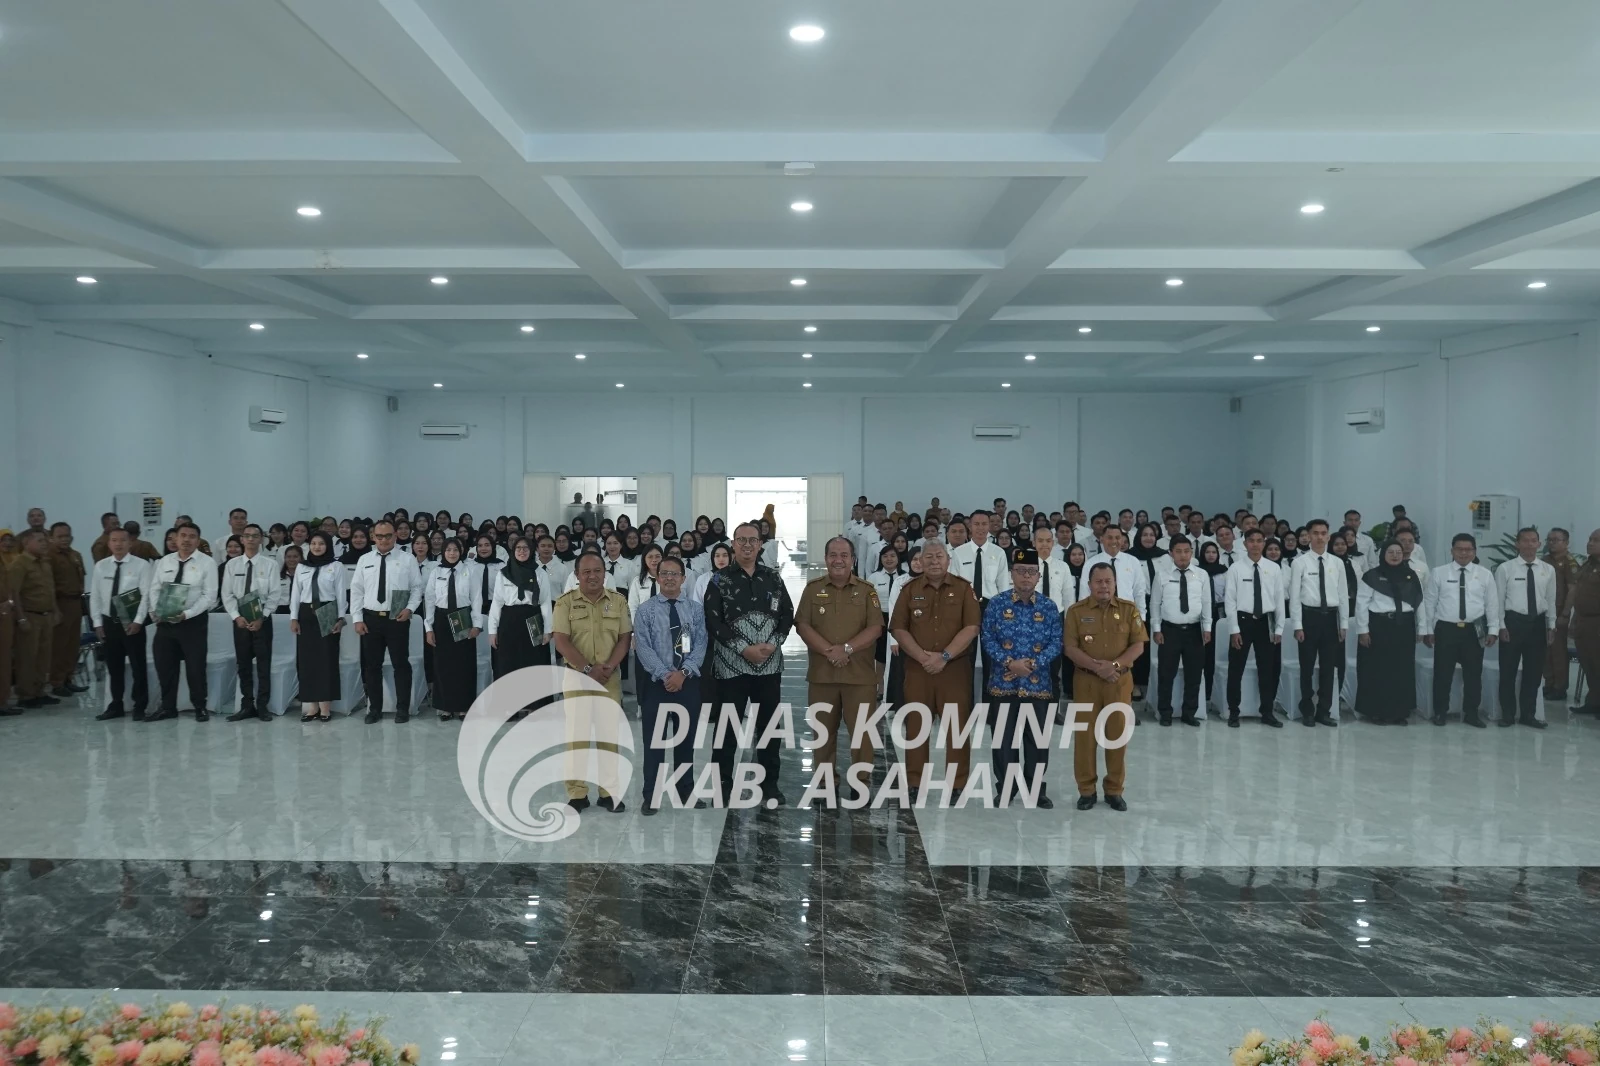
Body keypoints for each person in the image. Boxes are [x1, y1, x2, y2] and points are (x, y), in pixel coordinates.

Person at [703, 521, 794, 806]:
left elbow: (788, 613)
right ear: (733, 544)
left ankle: (770, 785)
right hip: (731, 668)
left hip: (769, 667)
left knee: (769, 728)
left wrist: (774, 643)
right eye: (741, 540)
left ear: (760, 545)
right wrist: (743, 649)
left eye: (752, 540)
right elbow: (713, 621)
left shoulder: (773, 578)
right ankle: (722, 785)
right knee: (727, 729)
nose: (746, 545)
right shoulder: (719, 580)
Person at [889, 540, 981, 800]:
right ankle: (915, 782)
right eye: (928, 557)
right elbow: (898, 628)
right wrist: (923, 657)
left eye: (939, 556)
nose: (934, 561)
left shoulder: (963, 589)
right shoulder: (909, 590)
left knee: (956, 726)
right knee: (916, 726)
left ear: (948, 560)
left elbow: (972, 627)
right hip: (918, 669)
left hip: (954, 670)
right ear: (920, 561)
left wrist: (945, 656)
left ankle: (957, 784)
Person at [795, 536, 884, 790]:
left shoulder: (867, 590)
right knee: (823, 733)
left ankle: (861, 781)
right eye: (833, 555)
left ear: (853, 559)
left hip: (860, 677)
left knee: (862, 733)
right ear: (825, 559)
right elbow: (802, 625)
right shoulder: (812, 589)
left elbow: (876, 628)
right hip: (822, 675)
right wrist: (829, 651)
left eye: (844, 555)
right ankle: (825, 780)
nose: (838, 560)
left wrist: (846, 649)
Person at [551, 550, 632, 813]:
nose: (592, 576)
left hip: (609, 679)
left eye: (597, 571)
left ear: (604, 573)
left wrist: (608, 667)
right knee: (577, 737)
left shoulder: (618, 601)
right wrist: (587, 669)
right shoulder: (565, 603)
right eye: (586, 572)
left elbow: (624, 638)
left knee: (609, 736)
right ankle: (577, 794)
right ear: (577, 575)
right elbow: (561, 640)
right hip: (577, 678)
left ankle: (609, 793)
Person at [980, 547, 1061, 807]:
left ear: (1038, 576)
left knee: (1037, 741)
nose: (1026, 576)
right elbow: (987, 638)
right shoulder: (997, 603)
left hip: (1038, 685)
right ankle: (1005, 788)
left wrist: (1033, 664)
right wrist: (1010, 663)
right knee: (1004, 740)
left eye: (1031, 572)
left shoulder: (1049, 607)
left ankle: (1035, 790)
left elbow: (1056, 643)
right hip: (1003, 683)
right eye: (1021, 571)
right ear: (1012, 574)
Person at [1063, 562, 1146, 811]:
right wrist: (1098, 667)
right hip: (1086, 682)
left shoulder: (1129, 610)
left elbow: (1138, 645)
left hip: (1118, 682)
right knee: (1085, 738)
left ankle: (1114, 790)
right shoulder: (1076, 612)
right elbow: (1070, 648)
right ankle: (1086, 790)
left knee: (1116, 737)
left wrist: (1115, 666)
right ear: (1089, 585)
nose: (1103, 586)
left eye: (1108, 581)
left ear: (1115, 583)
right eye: (1098, 581)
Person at [632, 555, 708, 813]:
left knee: (685, 741)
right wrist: (666, 675)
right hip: (657, 684)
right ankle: (651, 795)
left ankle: (685, 790)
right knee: (654, 742)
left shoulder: (695, 610)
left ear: (683, 578)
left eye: (675, 574)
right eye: (664, 573)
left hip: (687, 682)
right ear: (657, 577)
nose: (669, 578)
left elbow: (701, 644)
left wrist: (683, 673)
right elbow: (643, 648)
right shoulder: (646, 610)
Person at [1419, 533, 1501, 728]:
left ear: (1474, 551)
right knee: (1443, 673)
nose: (1464, 553)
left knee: (1473, 674)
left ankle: (1471, 713)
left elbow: (1492, 604)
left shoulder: (1485, 574)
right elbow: (1429, 603)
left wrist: (1493, 630)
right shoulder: (1439, 572)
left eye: (1468, 550)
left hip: (1475, 629)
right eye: (1459, 549)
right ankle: (1440, 712)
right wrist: (1428, 629)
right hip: (1446, 629)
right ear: (1452, 551)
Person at [140, 522, 219, 722]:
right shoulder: (164, 561)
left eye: (192, 536)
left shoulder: (207, 563)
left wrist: (187, 614)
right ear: (175, 538)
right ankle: (168, 707)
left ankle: (200, 706)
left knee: (195, 668)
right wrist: (156, 611)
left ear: (198, 541)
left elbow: (209, 596)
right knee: (165, 666)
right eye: (183, 535)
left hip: (193, 623)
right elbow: (154, 589)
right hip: (165, 622)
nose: (186, 540)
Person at [349, 520, 423, 724]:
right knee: (372, 666)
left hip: (397, 618)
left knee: (401, 665)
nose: (384, 540)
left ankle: (403, 709)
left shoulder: (407, 559)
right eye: (379, 536)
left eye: (388, 536)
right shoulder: (364, 559)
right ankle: (375, 709)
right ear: (373, 537)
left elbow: (417, 588)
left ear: (395, 536)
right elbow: (357, 590)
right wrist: (357, 619)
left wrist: (410, 609)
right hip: (371, 619)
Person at [1355, 540, 1422, 725]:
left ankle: (1400, 712)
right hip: (1379, 626)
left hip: (1404, 626)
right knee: (1378, 670)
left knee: (1402, 669)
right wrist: (1363, 630)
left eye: (1398, 552)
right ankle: (1377, 712)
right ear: (1383, 554)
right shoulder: (1371, 576)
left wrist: (1422, 628)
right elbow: (1361, 604)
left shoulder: (1410, 575)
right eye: (1390, 552)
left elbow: (1419, 603)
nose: (1395, 555)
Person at [1223, 529, 1286, 727]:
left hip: (1266, 622)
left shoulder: (1273, 568)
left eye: (1260, 541)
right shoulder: (1236, 568)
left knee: (1267, 670)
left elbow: (1279, 599)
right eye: (1251, 541)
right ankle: (1234, 711)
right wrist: (1234, 629)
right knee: (1236, 668)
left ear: (1264, 543)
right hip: (1243, 621)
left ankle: (1267, 711)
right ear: (1245, 544)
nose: (1256, 545)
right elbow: (1229, 601)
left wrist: (1279, 628)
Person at [1495, 526, 1555, 729]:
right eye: (1525, 540)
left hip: (1538, 624)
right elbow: (1498, 600)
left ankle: (1528, 715)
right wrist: (1501, 625)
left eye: (1533, 540)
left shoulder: (1548, 570)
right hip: (1513, 622)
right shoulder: (1506, 568)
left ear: (1539, 544)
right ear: (1517, 544)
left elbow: (1551, 600)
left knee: (1534, 673)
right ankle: (1508, 715)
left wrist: (1551, 625)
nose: (1530, 544)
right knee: (1508, 672)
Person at [1289, 519, 1347, 727]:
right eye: (1315, 533)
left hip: (1331, 618)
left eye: (1323, 533)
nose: (1320, 537)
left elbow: (1343, 595)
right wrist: (1297, 625)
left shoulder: (1337, 563)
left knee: (1328, 667)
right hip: (1309, 617)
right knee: (1306, 666)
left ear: (1328, 536)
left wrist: (1343, 624)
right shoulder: (1299, 563)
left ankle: (1324, 710)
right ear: (1308, 536)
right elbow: (1295, 596)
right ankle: (1307, 709)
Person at [1149, 535, 1212, 727]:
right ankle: (1165, 712)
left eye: (1186, 551)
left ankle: (1189, 713)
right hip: (1170, 630)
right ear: (1171, 553)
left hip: (1194, 631)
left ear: (1192, 553)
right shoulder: (1161, 575)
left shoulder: (1201, 575)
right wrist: (1156, 629)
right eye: (1178, 551)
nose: (1183, 555)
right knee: (1166, 674)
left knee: (1194, 675)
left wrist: (1207, 628)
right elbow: (1155, 603)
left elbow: (1206, 602)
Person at [220, 523, 279, 721]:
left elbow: (274, 594)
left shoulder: (270, 565)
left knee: (263, 664)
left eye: (255, 536)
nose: (251, 539)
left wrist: (263, 617)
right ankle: (247, 705)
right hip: (241, 621)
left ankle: (262, 706)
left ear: (261, 539)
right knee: (243, 664)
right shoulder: (232, 565)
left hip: (262, 621)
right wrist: (236, 616)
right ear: (242, 539)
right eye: (247, 536)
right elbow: (227, 594)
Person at [424, 537, 483, 722]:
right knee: (443, 665)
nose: (452, 553)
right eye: (448, 550)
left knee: (464, 664)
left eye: (455, 550)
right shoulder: (436, 571)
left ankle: (464, 706)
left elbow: (476, 598)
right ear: (443, 552)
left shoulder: (469, 570)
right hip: (441, 620)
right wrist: (429, 628)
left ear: (461, 551)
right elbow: (430, 600)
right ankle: (445, 707)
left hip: (463, 617)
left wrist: (476, 624)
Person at [289, 531, 344, 722]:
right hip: (306, 615)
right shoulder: (302, 567)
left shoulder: (336, 566)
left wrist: (340, 618)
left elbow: (341, 594)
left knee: (326, 660)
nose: (317, 547)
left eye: (321, 543)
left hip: (328, 611)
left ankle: (325, 707)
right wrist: (294, 618)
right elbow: (296, 594)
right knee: (307, 662)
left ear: (327, 546)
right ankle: (312, 707)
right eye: (313, 543)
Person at [489, 536, 555, 678]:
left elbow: (545, 602)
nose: (522, 551)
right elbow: (497, 603)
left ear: (531, 551)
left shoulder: (539, 573)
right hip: (509, 622)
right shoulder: (503, 573)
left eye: (525, 548)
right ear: (513, 551)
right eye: (518, 548)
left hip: (533, 621)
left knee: (534, 665)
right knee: (509, 665)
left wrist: (547, 630)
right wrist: (492, 630)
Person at [9, 531, 57, 709]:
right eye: (40, 540)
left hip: (46, 616)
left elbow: (50, 590)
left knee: (43, 658)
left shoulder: (44, 562)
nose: (45, 543)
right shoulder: (19, 563)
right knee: (27, 657)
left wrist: (55, 610)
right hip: (30, 615)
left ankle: (39, 691)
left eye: (45, 540)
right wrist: (21, 618)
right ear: (26, 543)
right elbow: (14, 593)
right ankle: (26, 695)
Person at [46, 523, 88, 697]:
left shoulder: (75, 555)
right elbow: (48, 585)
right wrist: (54, 609)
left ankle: (68, 678)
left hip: (76, 602)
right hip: (60, 602)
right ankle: (57, 682)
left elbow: (81, 578)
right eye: (60, 536)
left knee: (73, 644)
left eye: (67, 536)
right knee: (59, 645)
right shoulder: (49, 557)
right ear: (51, 538)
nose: (64, 539)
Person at [1543, 527, 1580, 701]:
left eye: (1556, 540)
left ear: (1566, 543)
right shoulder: (1545, 560)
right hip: (1544, 611)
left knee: (1558, 651)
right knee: (1546, 651)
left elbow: (1573, 590)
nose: (1552, 543)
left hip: (1558, 612)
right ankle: (1549, 683)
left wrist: (1565, 614)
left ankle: (1560, 687)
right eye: (1549, 539)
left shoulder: (1569, 563)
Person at [1569, 529, 1600, 715]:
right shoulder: (1588, 564)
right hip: (1583, 621)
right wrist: (1574, 619)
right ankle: (1593, 702)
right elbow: (1579, 594)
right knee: (1589, 665)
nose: (1590, 543)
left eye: (1596, 540)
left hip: (1597, 622)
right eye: (1590, 539)